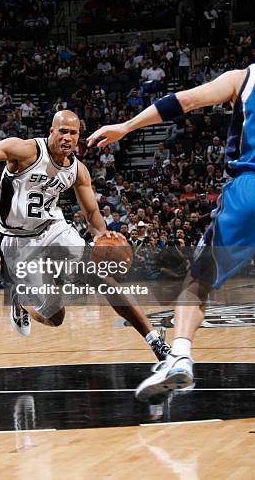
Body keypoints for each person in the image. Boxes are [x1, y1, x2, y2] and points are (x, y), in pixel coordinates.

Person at [87, 64, 255, 401]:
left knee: (197, 283)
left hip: (249, 190)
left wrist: (128, 125)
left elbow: (186, 100)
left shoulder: (245, 77)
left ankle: (179, 356)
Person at [0, 110, 170, 361]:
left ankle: (154, 341)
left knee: (102, 277)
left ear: (79, 136)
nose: (67, 137)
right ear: (51, 131)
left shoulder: (77, 171)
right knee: (55, 317)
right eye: (63, 131)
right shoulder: (27, 151)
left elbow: (92, 214)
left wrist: (103, 239)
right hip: (17, 240)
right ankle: (21, 301)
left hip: (53, 228)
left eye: (73, 133)